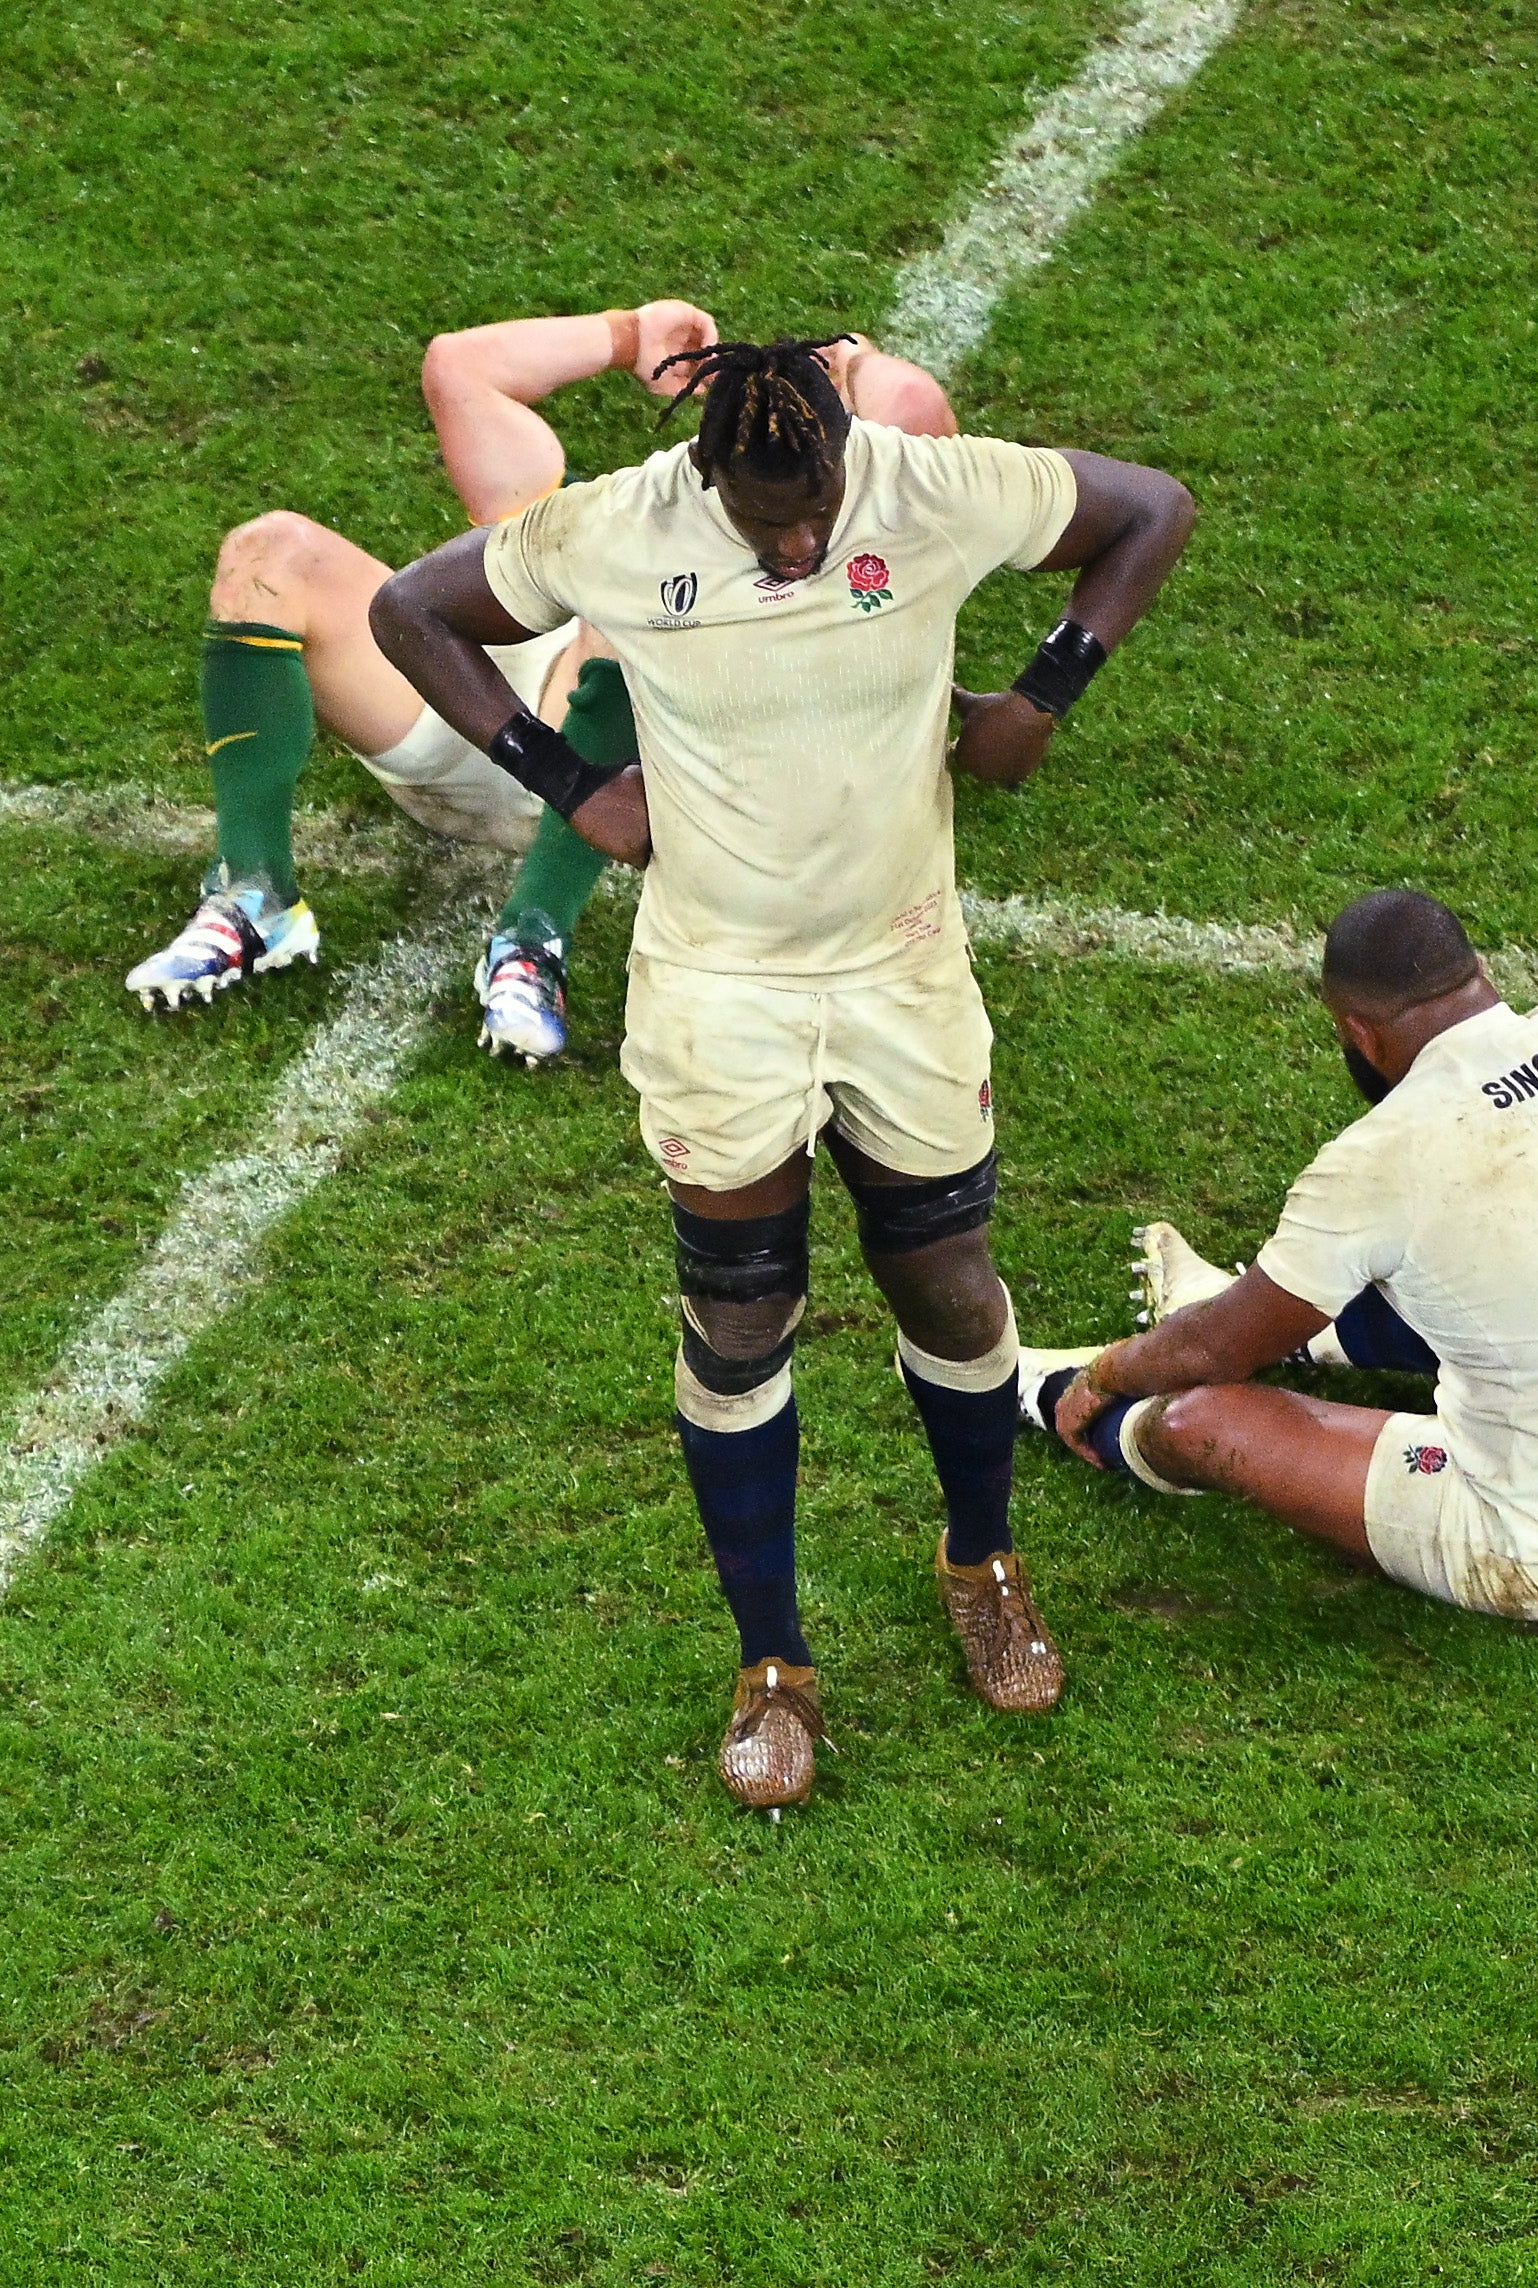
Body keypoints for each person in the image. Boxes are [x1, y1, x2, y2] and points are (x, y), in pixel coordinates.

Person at [372, 334, 1199, 1807]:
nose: (802, 536)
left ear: (839, 451)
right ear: (710, 475)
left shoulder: (926, 486)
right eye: (770, 517)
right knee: (738, 1314)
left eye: (814, 499)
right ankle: (772, 1662)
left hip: (901, 974)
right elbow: (409, 608)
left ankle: (983, 1562)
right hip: (721, 996)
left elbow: (1149, 508)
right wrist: (569, 786)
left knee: (947, 1280)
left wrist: (1039, 698)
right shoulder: (619, 526)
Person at [126, 302, 959, 1060]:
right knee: (272, 552)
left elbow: (919, 419)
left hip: (612, 780)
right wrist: (628, 335)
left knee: (645, 607)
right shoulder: (560, 519)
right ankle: (254, 890)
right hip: (454, 727)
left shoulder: (794, 542)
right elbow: (458, 365)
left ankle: (532, 939)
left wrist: (853, 362)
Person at [1024, 889, 1538, 1620]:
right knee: (1489, 1269)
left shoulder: (1382, 1154)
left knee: (1199, 1418)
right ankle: (1217, 1303)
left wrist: (1110, 1369)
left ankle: (1038, 1393)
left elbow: (1221, 1349)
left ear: (1362, 1033)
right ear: (1480, 972)